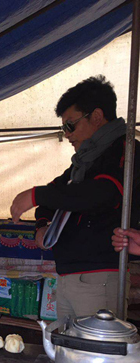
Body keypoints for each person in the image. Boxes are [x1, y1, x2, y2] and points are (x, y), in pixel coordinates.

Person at [10, 75, 140, 318]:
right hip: (69, 274)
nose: (67, 134)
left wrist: (37, 195)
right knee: (67, 350)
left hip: (99, 277)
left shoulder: (125, 151)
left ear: (97, 116)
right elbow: (55, 192)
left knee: (92, 353)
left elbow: (101, 193)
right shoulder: (82, 163)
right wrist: (42, 225)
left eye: (70, 125)